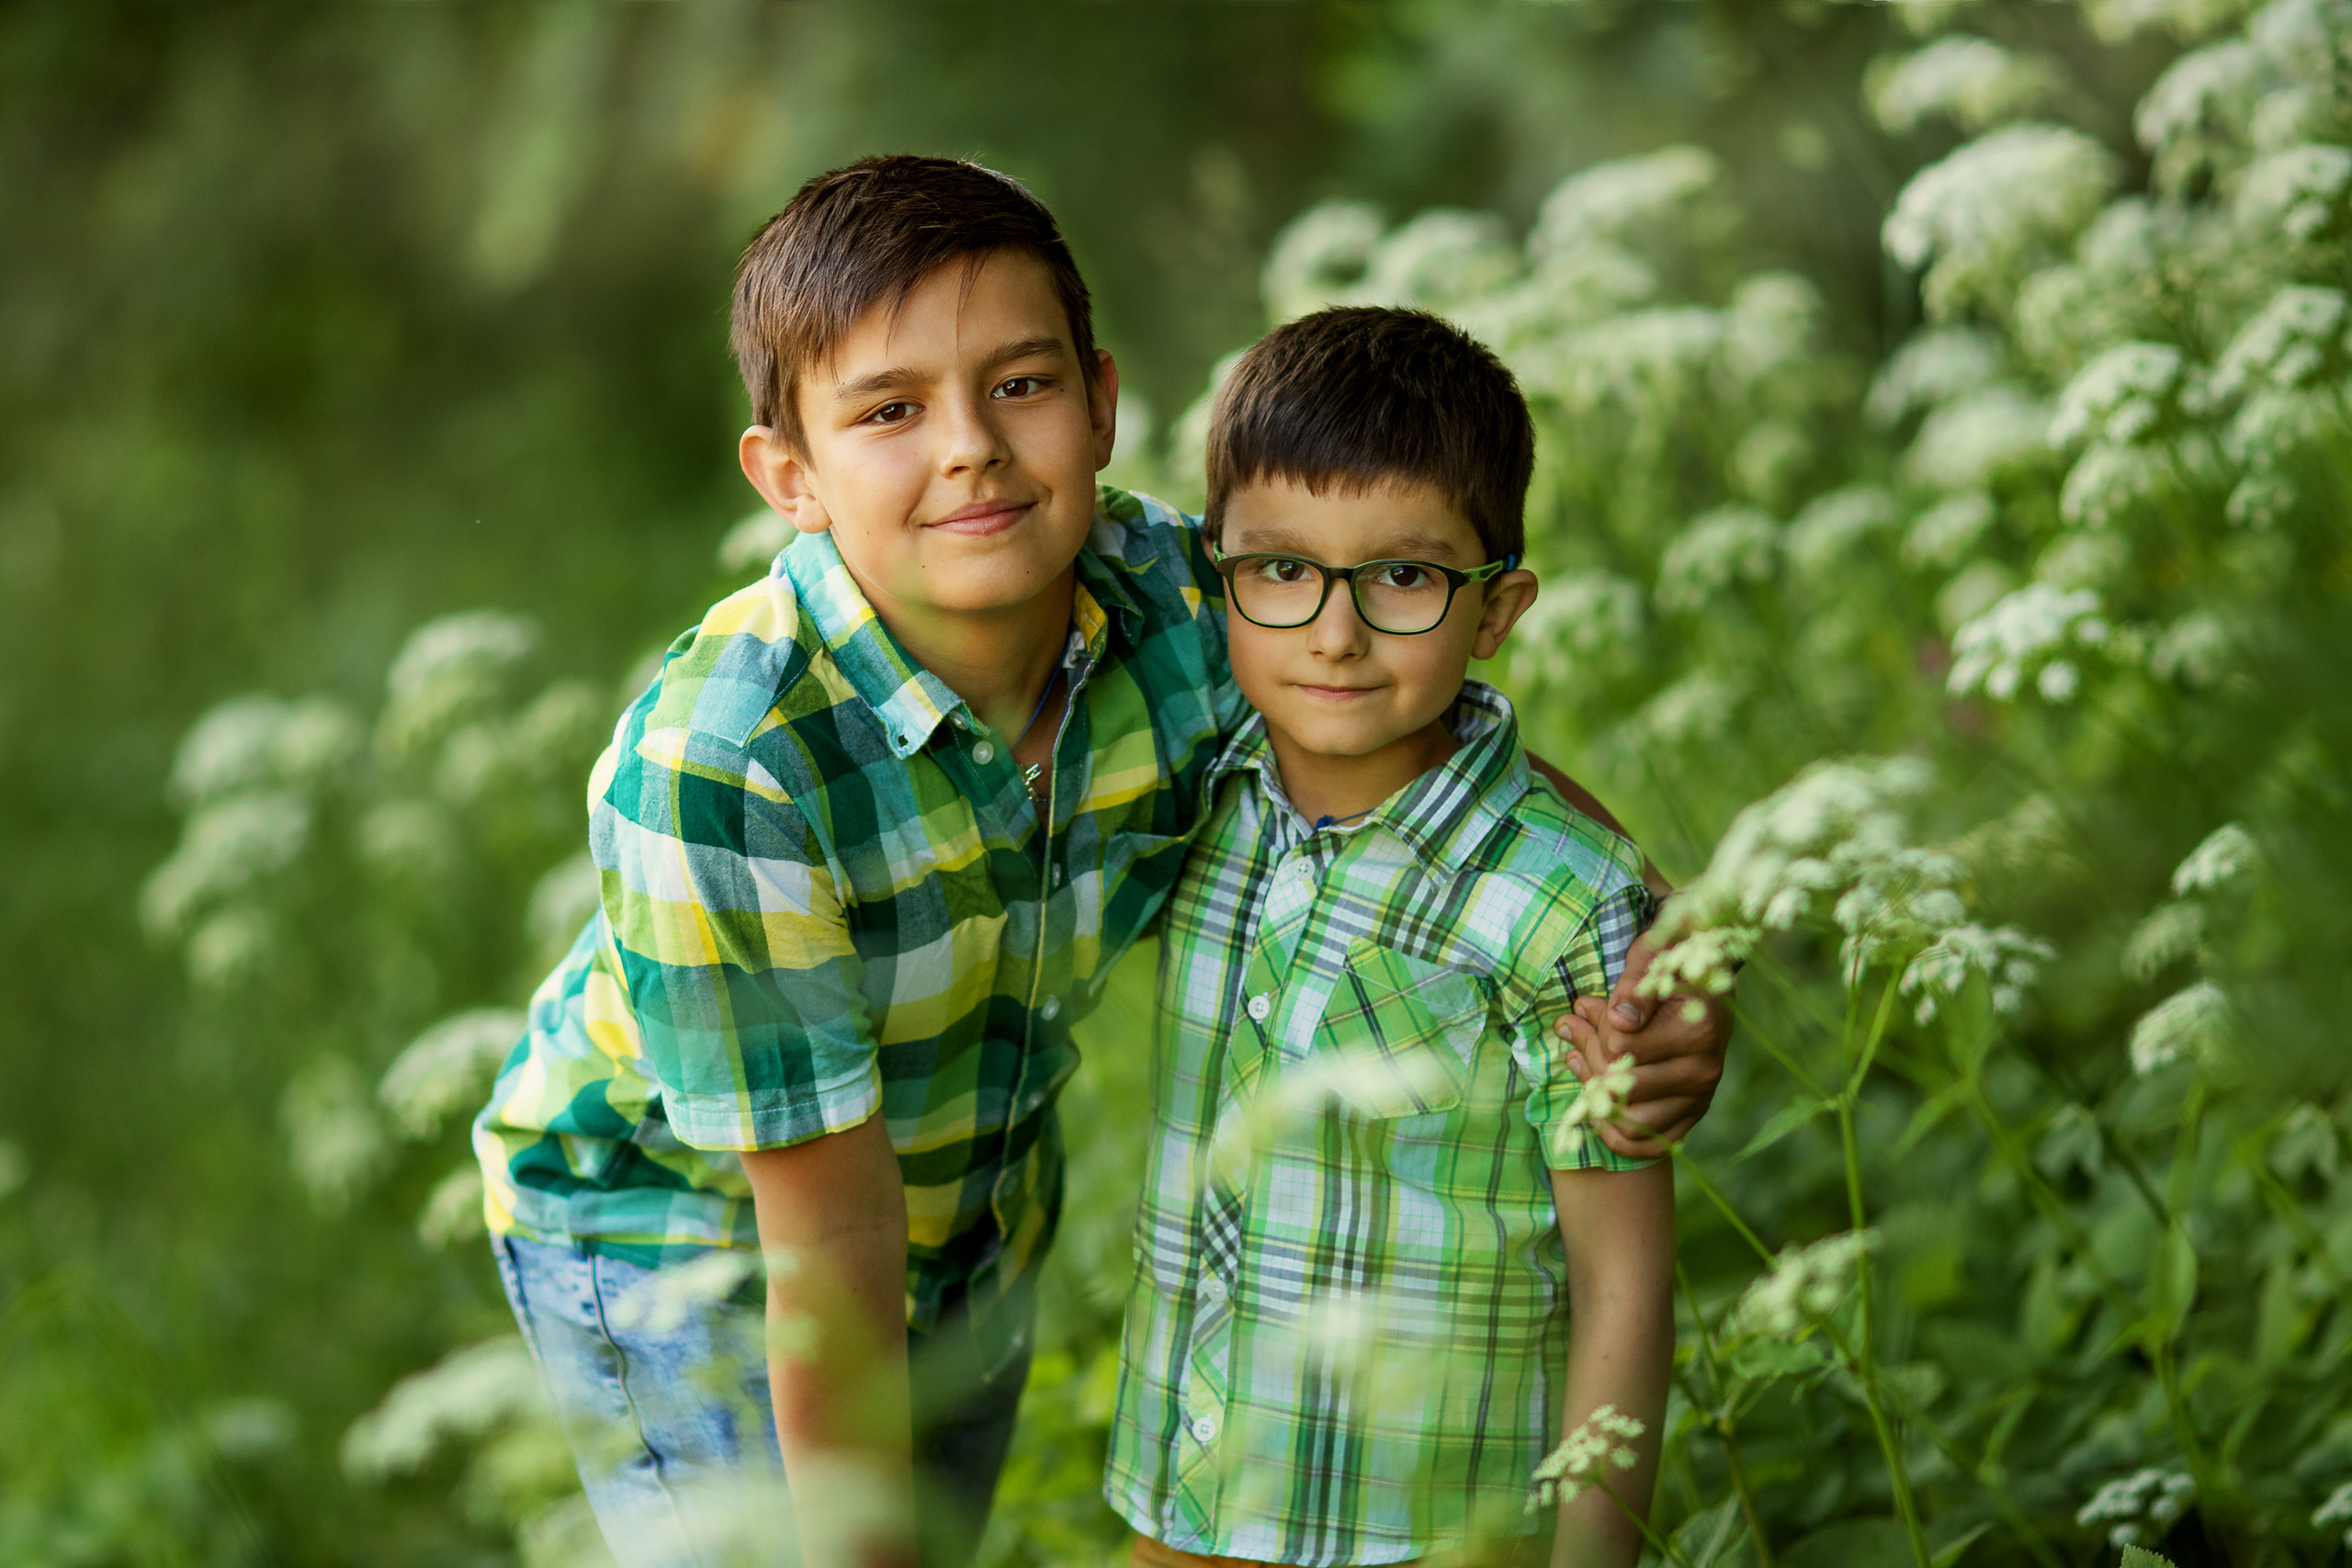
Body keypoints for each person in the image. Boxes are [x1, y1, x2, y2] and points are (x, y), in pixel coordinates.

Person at [470, 155, 1721, 1568]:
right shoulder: (723, 769)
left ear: (1103, 402)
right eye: (890, 411)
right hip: (686, 1236)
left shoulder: (1201, 609)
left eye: (1020, 385)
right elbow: (822, 1250)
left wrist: (1659, 941)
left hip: (973, 1197)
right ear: (791, 477)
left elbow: (1423, 738)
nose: (972, 450)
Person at [1106, 308, 1676, 1568]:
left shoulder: (1561, 903)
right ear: (1220, 580)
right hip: (1184, 1499)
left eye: (1406, 576)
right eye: (1283, 570)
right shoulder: (1194, 793)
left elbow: (1624, 1285)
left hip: (1424, 1529)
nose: (1335, 631)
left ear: (1496, 608)